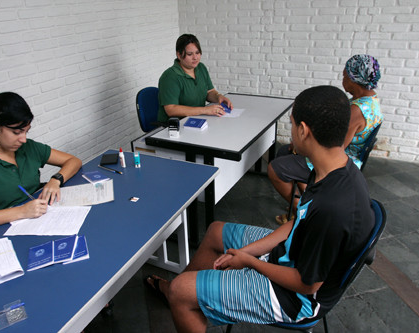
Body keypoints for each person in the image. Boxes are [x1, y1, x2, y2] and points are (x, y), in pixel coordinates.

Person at [145, 85, 375, 333]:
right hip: (290, 254)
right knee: (215, 231)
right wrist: (246, 252)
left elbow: (306, 285)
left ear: (303, 130)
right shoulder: (332, 168)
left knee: (182, 291)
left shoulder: (333, 208)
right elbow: (296, 223)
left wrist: (250, 262)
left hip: (294, 298)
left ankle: (180, 295)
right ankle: (184, 294)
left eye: (292, 123)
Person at [268, 54, 382, 224]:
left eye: (344, 76)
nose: (343, 80)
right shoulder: (370, 101)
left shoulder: (357, 111)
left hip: (336, 164)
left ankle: (300, 211)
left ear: (354, 79)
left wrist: (303, 147)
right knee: (284, 151)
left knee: (275, 169)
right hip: (346, 156)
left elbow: (337, 146)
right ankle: (304, 197)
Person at [0, 92, 82, 233]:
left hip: (39, 220)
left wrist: (56, 180)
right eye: (17, 132)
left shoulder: (28, 147)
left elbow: (73, 161)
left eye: (26, 132)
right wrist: (22, 212)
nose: (23, 139)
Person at [157, 34, 233, 122]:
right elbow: (171, 109)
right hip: (174, 126)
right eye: (190, 54)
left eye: (197, 53)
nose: (195, 58)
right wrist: (205, 110)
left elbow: (210, 92)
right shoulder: (170, 77)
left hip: (197, 119)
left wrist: (218, 97)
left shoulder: (201, 68)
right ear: (179, 55)